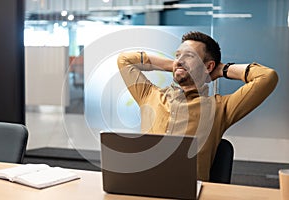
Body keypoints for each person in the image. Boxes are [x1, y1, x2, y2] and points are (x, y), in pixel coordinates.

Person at [117, 31, 278, 181]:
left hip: (189, 193)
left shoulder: (220, 108)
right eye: (177, 55)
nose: (179, 60)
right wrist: (175, 66)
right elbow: (124, 60)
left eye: (189, 56)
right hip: (142, 188)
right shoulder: (149, 95)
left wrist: (222, 70)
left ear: (208, 66)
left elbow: (267, 77)